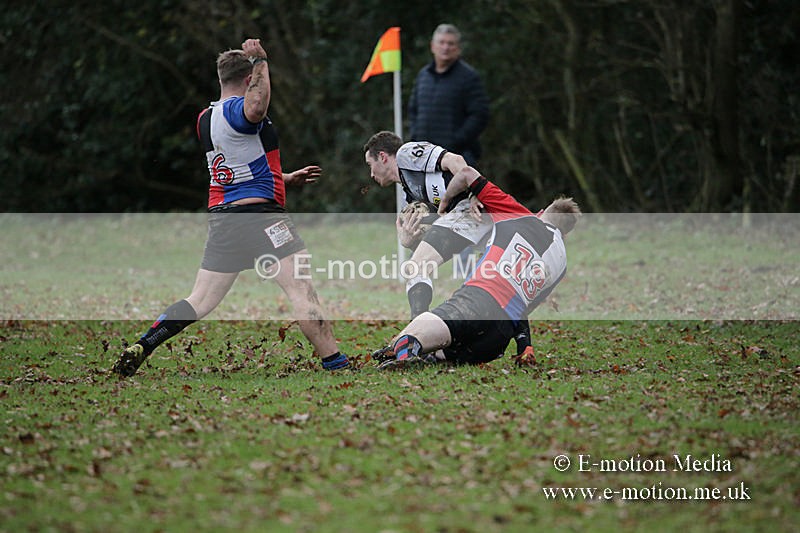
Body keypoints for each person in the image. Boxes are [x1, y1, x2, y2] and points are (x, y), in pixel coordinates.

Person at [112, 38, 349, 377]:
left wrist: (284, 178)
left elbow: (237, 166)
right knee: (300, 288)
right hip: (262, 219)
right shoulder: (241, 110)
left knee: (200, 300)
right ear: (249, 80)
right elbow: (257, 109)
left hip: (226, 220)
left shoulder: (205, 119)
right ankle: (335, 362)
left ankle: (144, 344)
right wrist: (261, 61)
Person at [372, 167, 581, 368]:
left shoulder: (520, 215)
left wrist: (444, 204)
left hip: (478, 301)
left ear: (541, 212)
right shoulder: (560, 264)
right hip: (497, 339)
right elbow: (524, 310)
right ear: (565, 234)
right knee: (444, 350)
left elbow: (466, 173)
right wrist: (524, 346)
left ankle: (404, 349)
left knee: (435, 323)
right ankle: (430, 356)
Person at [363, 130, 534, 357]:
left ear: (383, 156)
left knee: (417, 266)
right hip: (469, 220)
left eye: (369, 164)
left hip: (472, 212)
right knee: (499, 280)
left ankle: (417, 334)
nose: (370, 173)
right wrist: (408, 240)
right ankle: (525, 346)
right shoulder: (408, 195)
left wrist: (475, 191)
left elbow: (456, 162)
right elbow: (427, 243)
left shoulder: (407, 154)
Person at [407, 23, 489, 167]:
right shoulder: (423, 75)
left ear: (458, 48)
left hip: (458, 159)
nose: (445, 47)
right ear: (433, 46)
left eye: (450, 43)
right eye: (442, 42)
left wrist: (455, 141)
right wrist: (416, 137)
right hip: (424, 158)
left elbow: (479, 115)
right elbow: (413, 110)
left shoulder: (469, 77)